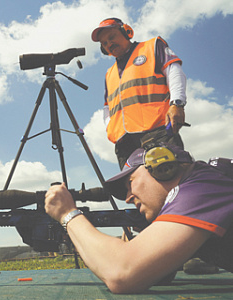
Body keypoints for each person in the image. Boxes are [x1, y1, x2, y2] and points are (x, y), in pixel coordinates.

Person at [44, 143, 233, 294]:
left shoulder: (202, 186)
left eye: (130, 183)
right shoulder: (212, 182)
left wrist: (68, 214)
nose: (128, 198)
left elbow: (122, 273)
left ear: (161, 167)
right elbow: (154, 273)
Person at [91, 18, 188, 168]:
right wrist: (110, 127)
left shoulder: (152, 46)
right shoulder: (109, 74)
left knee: (170, 181)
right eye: (104, 43)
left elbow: (174, 71)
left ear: (126, 32)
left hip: (157, 131)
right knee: (136, 189)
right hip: (124, 143)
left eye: (111, 37)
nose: (109, 44)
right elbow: (106, 107)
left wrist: (177, 103)